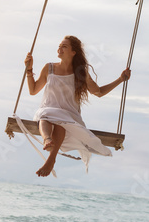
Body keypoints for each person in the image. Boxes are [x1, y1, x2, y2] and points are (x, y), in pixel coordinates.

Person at [24, 35, 131, 177]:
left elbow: (98, 92)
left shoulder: (80, 73)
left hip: (69, 115)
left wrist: (120, 79)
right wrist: (29, 70)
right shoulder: (49, 68)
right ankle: (48, 141)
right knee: (46, 116)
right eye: (59, 45)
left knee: (60, 121)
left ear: (73, 52)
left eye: (64, 46)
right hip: (47, 110)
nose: (59, 48)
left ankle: (51, 158)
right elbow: (33, 91)